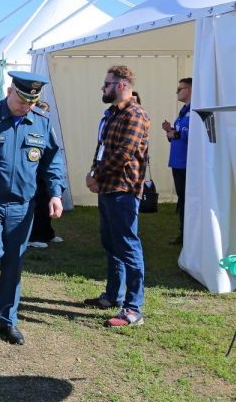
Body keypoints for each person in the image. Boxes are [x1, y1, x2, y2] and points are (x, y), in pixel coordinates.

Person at [0, 72, 65, 345]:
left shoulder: (41, 122)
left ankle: (8, 321)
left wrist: (55, 194)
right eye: (21, 99)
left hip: (22, 205)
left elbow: (52, 161)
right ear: (9, 90)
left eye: (32, 100)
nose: (25, 105)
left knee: (13, 262)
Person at [85, 65, 149, 328]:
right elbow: (102, 148)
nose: (104, 88)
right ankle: (113, 295)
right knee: (111, 244)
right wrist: (93, 173)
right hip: (108, 187)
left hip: (124, 189)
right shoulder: (112, 114)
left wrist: (97, 175)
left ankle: (133, 308)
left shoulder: (136, 115)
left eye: (107, 83)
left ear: (121, 85)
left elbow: (123, 153)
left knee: (128, 246)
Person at [27, 101, 63, 248]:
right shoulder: (31, 125)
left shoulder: (46, 125)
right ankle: (34, 237)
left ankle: (48, 233)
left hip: (44, 173)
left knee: (47, 203)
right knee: (38, 205)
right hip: (34, 173)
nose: (44, 115)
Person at [162, 77, 191, 246]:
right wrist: (170, 131)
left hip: (187, 164)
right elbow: (177, 135)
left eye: (180, 89)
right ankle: (184, 233)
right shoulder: (183, 111)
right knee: (182, 199)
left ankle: (187, 235)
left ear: (190, 90)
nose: (177, 92)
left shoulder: (194, 110)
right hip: (178, 163)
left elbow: (192, 135)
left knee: (187, 200)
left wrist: (176, 134)